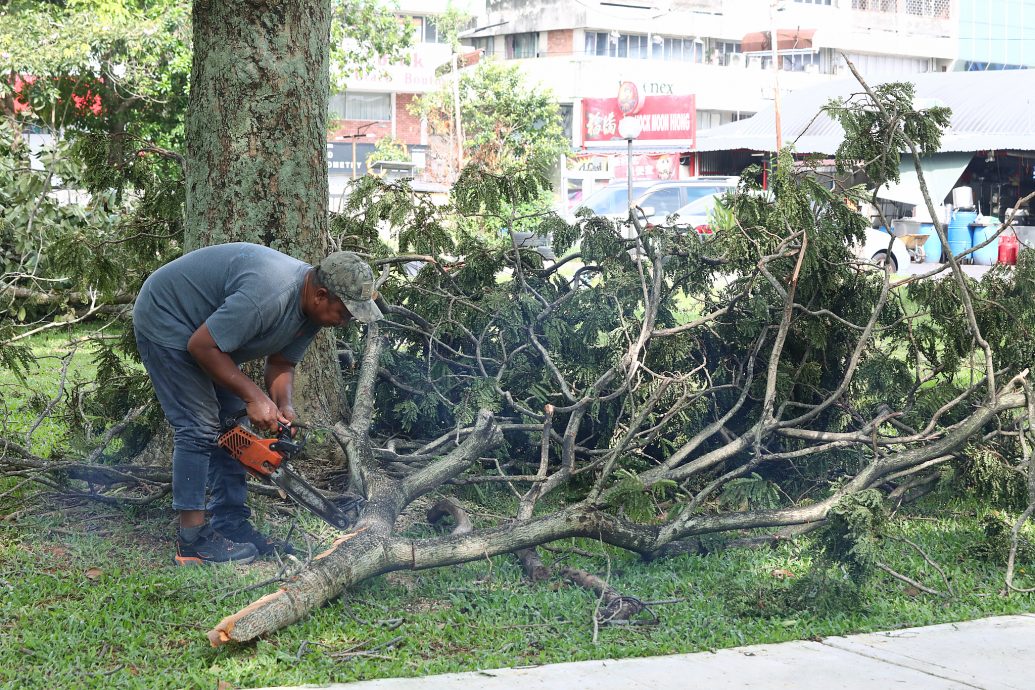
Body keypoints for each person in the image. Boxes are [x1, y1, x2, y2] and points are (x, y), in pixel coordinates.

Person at [133, 242, 382, 566]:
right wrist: (254, 396)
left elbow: (281, 364)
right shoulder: (270, 296)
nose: (344, 322)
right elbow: (201, 346)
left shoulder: (313, 314)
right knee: (198, 426)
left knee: (232, 429)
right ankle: (191, 543)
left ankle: (230, 524)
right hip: (167, 318)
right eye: (344, 313)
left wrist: (284, 406)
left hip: (205, 337)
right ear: (321, 295)